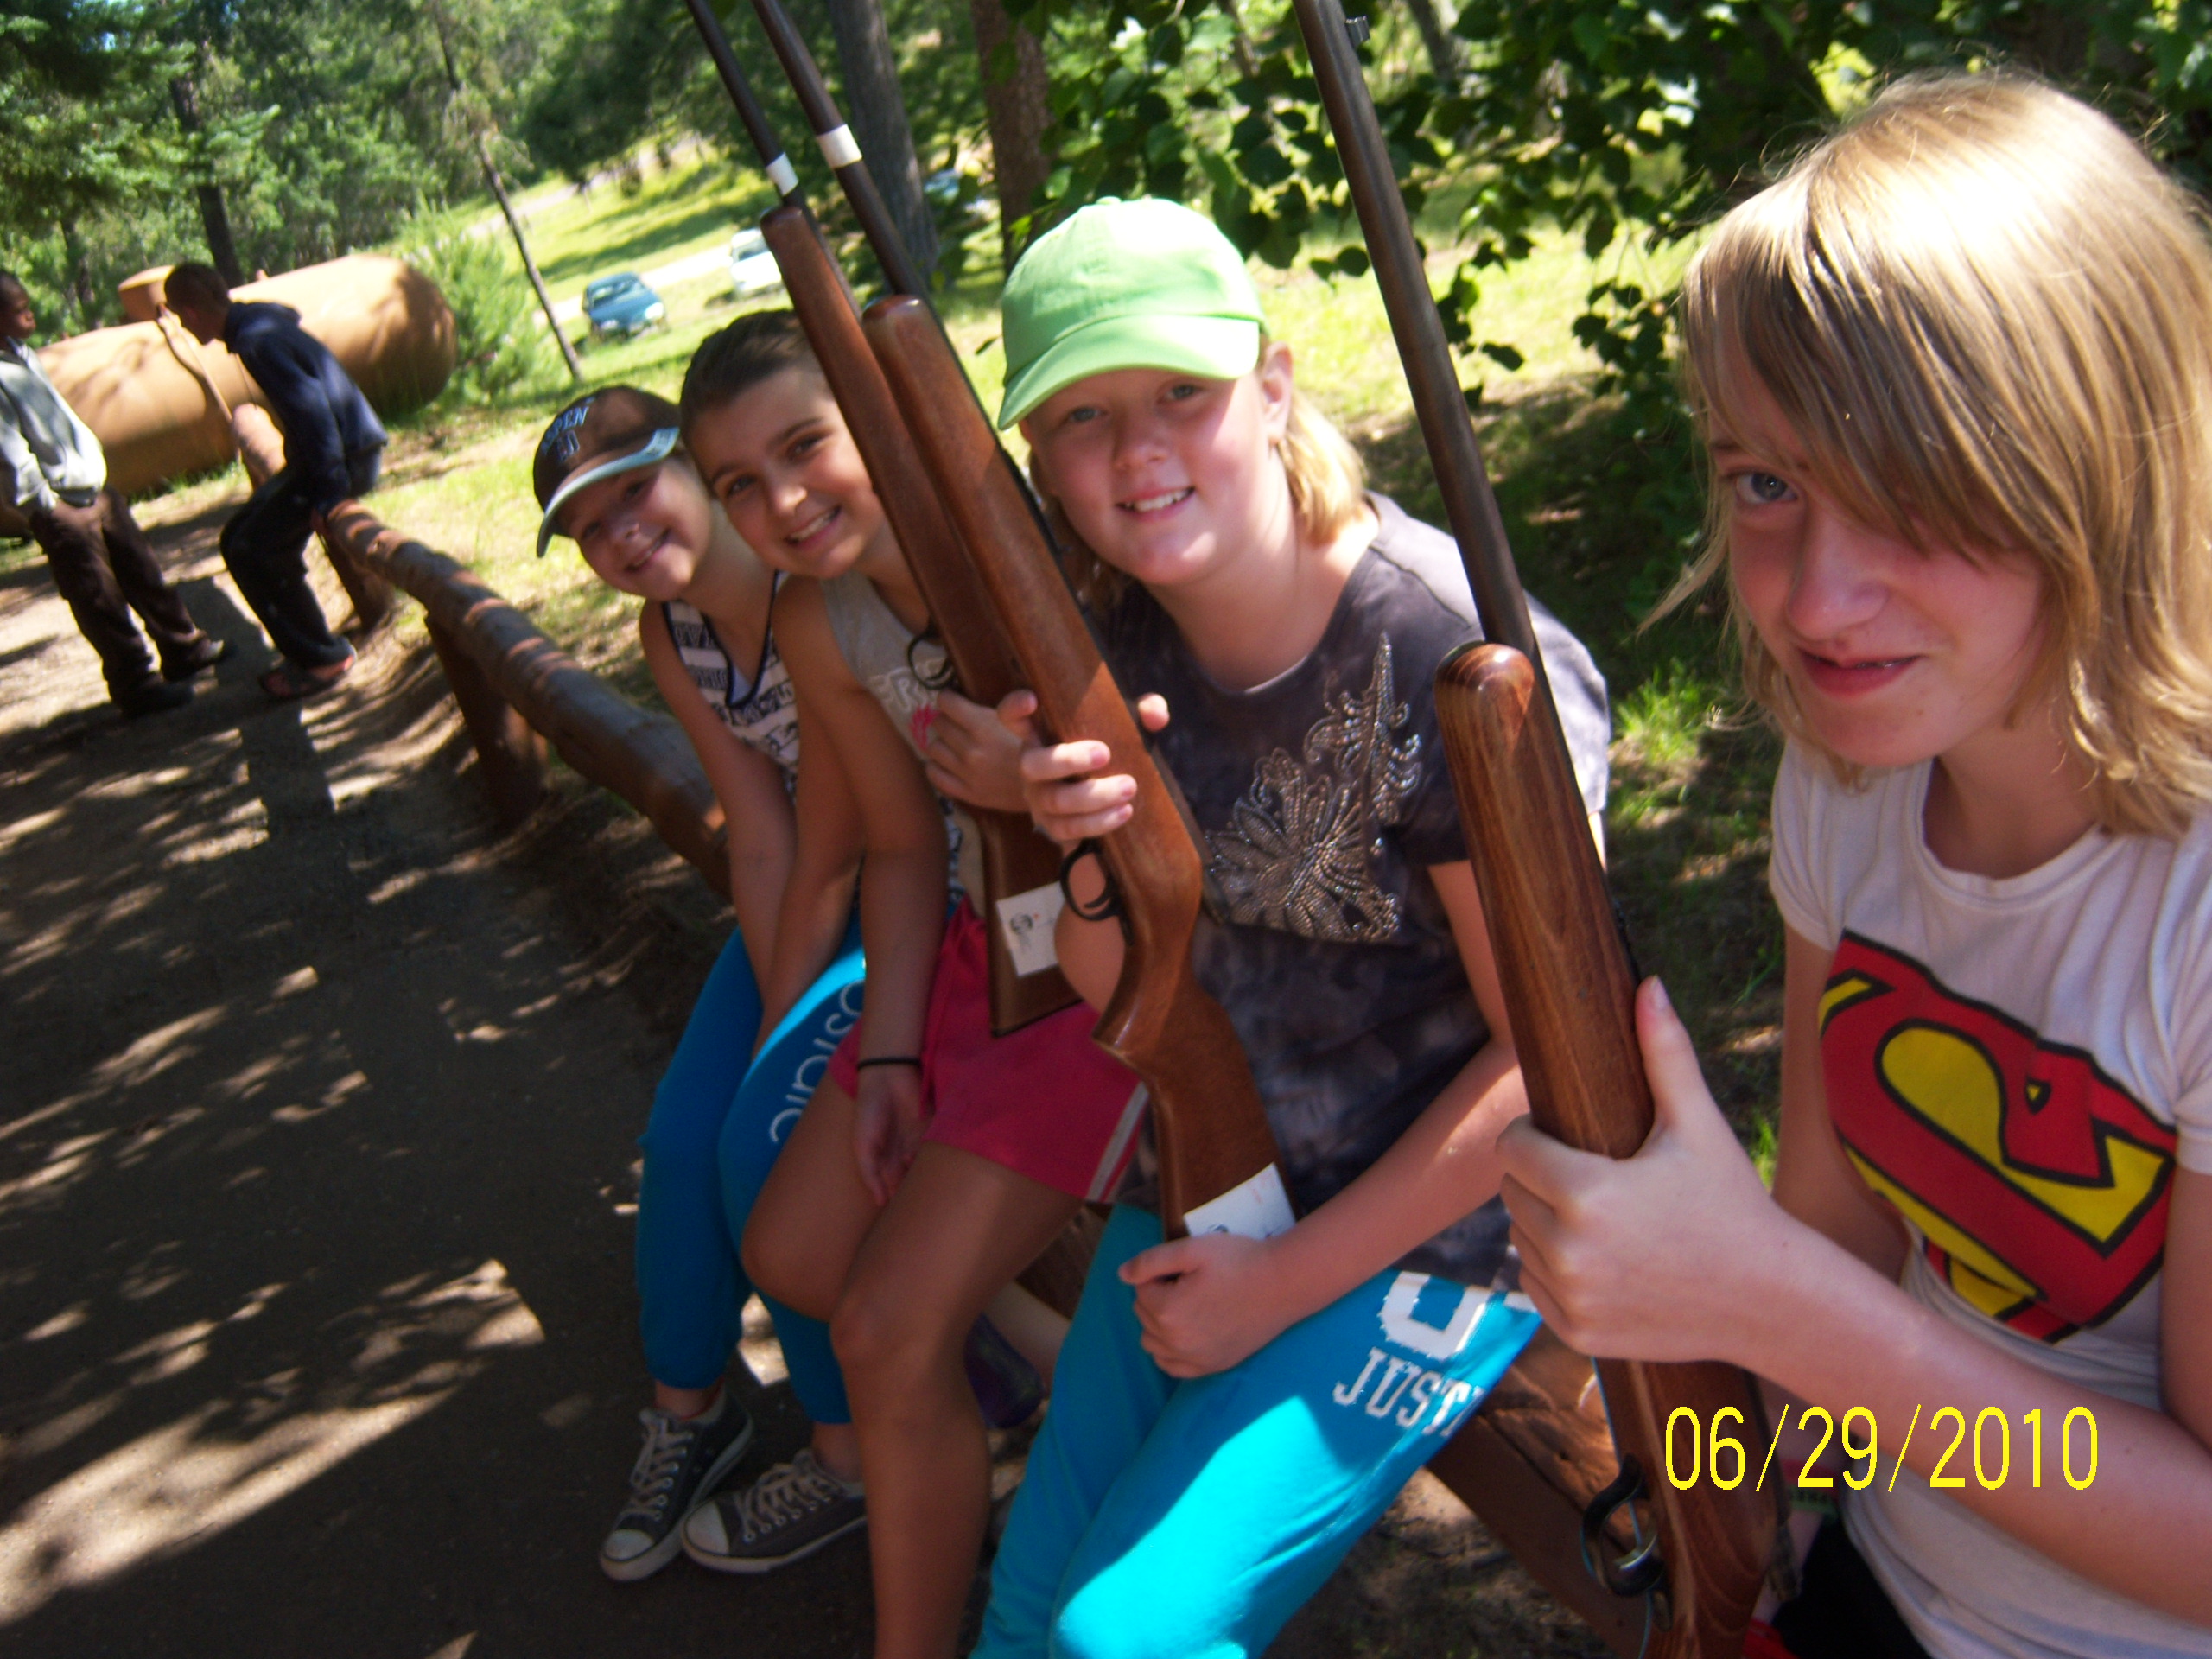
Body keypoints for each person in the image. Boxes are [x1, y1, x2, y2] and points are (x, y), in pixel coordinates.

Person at [1492, 77, 2212, 1658]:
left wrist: (1759, 1301)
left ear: (2106, 472)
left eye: (1915, 492)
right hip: (1874, 1577)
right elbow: (1837, 1233)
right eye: (1766, 483)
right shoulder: (1852, 784)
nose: (1816, 600)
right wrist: (1725, 1498)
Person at [977, 196, 1613, 1658]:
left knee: (1120, 1638)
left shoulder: (1446, 652)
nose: (1137, 453)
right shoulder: (1111, 640)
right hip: (1217, 1184)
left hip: (1453, 1232)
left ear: (1272, 384)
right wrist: (1073, 845)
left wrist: (1284, 1287)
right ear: (1041, 461)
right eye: (1081, 418)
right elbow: (1111, 991)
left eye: (1179, 392)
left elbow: (1552, 1058)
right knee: (1024, 1611)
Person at [691, 311, 1147, 1658]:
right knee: (791, 1250)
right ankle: (1014, 1397)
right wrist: (891, 1058)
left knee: (885, 1331)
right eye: (738, 485)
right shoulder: (815, 616)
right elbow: (899, 848)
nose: (782, 502)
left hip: (1101, 968)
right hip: (975, 955)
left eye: (805, 447)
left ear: (880, 423)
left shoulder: (1026, 552)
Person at [531, 379, 874, 1580]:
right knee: (681, 1141)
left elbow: (842, 845)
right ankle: (691, 1413)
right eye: (591, 529)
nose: (624, 535)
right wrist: (775, 996)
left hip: (903, 892)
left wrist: (783, 1025)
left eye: (637, 492)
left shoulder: (804, 589)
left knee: (757, 1143)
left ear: (701, 472)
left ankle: (853, 1451)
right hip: (807, 895)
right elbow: (762, 836)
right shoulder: (669, 632)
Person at [0, 270, 225, 715]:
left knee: (142, 569)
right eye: (19, 308)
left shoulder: (23, 355)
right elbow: (9, 453)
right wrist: (46, 505)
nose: (30, 313)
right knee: (97, 596)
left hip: (92, 486)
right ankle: (135, 683)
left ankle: (184, 648)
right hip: (61, 505)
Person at [164, 262, 385, 702]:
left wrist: (329, 496)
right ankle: (312, 646)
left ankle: (322, 657)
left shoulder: (257, 341)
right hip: (334, 456)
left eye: (179, 316)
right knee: (237, 537)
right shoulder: (258, 321)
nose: (184, 327)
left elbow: (315, 415)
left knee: (251, 548)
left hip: (347, 460)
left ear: (190, 313)